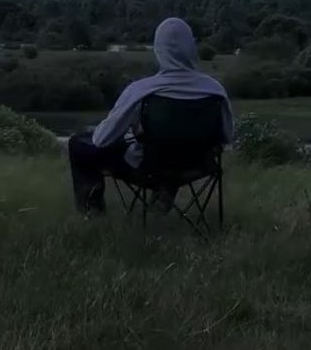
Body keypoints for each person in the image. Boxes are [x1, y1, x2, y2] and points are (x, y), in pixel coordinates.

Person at [68, 17, 234, 216]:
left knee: (79, 144)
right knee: (171, 152)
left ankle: (92, 212)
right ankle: (166, 191)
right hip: (197, 166)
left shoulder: (142, 90)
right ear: (191, 48)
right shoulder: (215, 90)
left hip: (149, 168)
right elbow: (227, 136)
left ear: (158, 50)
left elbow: (102, 140)